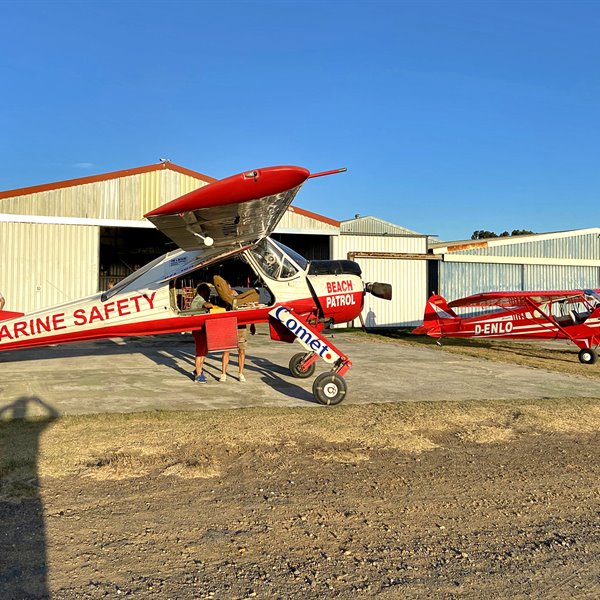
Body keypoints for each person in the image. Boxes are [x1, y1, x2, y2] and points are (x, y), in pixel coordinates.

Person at [190, 283, 213, 383]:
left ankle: (198, 369)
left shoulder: (199, 298)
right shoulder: (199, 299)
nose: (208, 293)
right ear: (203, 291)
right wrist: (214, 305)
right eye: (207, 291)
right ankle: (198, 375)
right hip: (198, 330)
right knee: (200, 352)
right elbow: (207, 305)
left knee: (205, 351)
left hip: (202, 330)